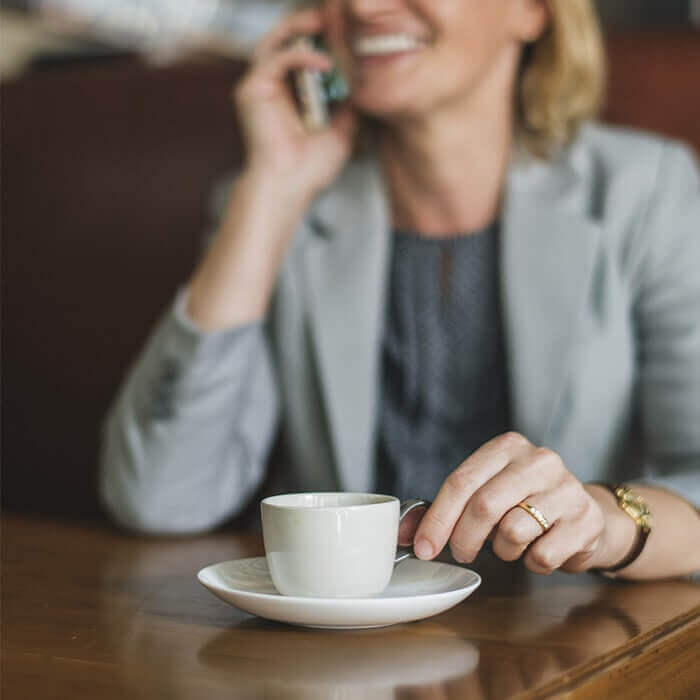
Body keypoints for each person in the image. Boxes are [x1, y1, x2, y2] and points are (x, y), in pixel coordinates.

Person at [100, 0, 700, 579]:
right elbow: (159, 497)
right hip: (342, 659)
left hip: (567, 641)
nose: (362, 6)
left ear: (532, 9)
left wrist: (602, 522)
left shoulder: (646, 192)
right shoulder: (279, 204)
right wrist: (271, 187)